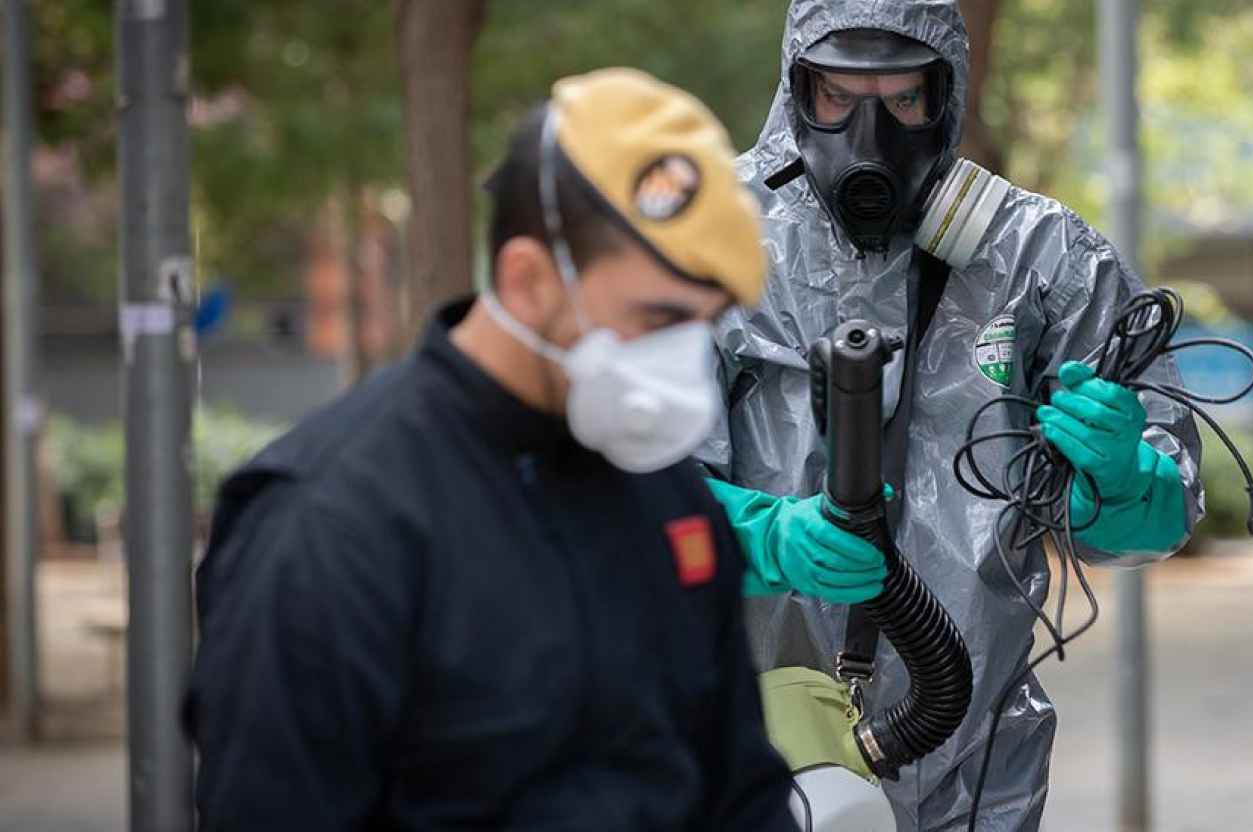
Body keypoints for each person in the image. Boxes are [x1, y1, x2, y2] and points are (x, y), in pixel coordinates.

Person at [185, 68, 800, 831]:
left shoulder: (665, 497)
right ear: (529, 279)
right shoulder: (331, 527)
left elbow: (740, 791)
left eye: (706, 322)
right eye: (657, 318)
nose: (683, 361)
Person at [698, 0, 1205, 831]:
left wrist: (1122, 479)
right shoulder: (711, 247)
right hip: (754, 751)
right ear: (794, 88)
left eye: (901, 97)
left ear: (949, 91)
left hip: (973, 761)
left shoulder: (1040, 258)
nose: (870, 131)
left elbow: (1159, 521)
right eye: (839, 94)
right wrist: (765, 536)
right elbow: (622, 500)